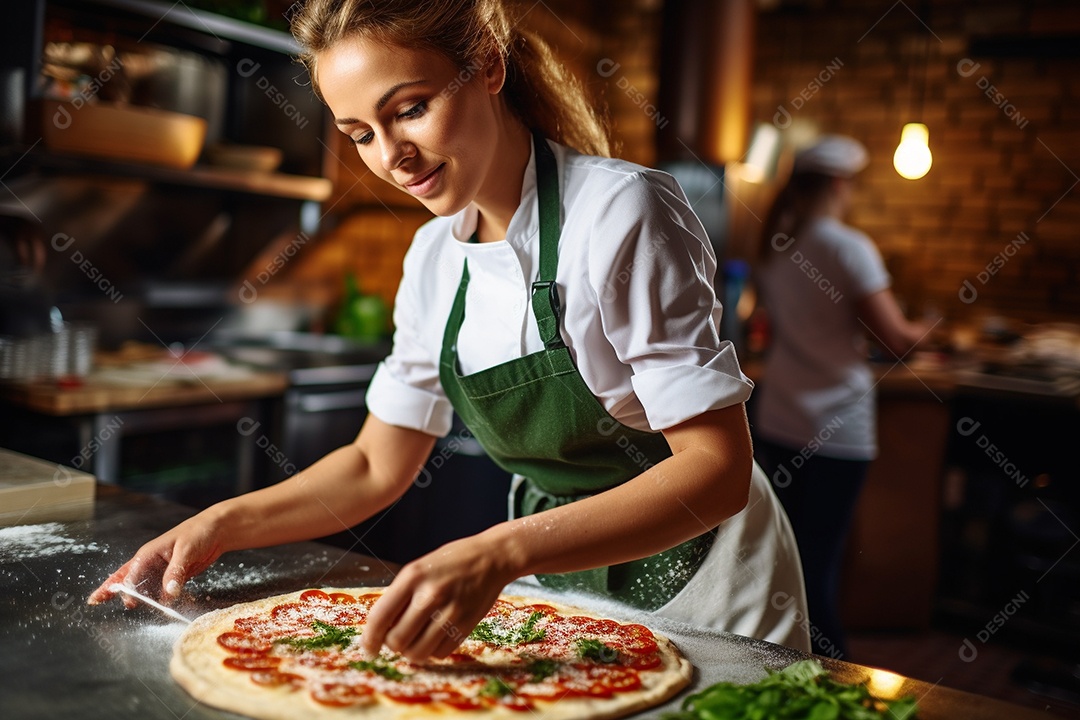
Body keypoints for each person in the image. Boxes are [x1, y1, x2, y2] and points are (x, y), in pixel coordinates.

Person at [90, 0, 810, 657]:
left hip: (712, 579)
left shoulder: (623, 214)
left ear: (488, 66)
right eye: (360, 133)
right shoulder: (436, 257)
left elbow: (714, 474)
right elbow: (376, 464)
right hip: (559, 575)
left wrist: (500, 552)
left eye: (410, 108)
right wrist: (219, 525)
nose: (389, 157)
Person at [752, 134, 931, 659]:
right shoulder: (848, 246)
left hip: (780, 416)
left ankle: (776, 665)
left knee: (786, 559)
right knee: (821, 563)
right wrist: (934, 329)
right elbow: (896, 340)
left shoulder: (775, 241)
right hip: (837, 425)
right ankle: (834, 676)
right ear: (839, 184)